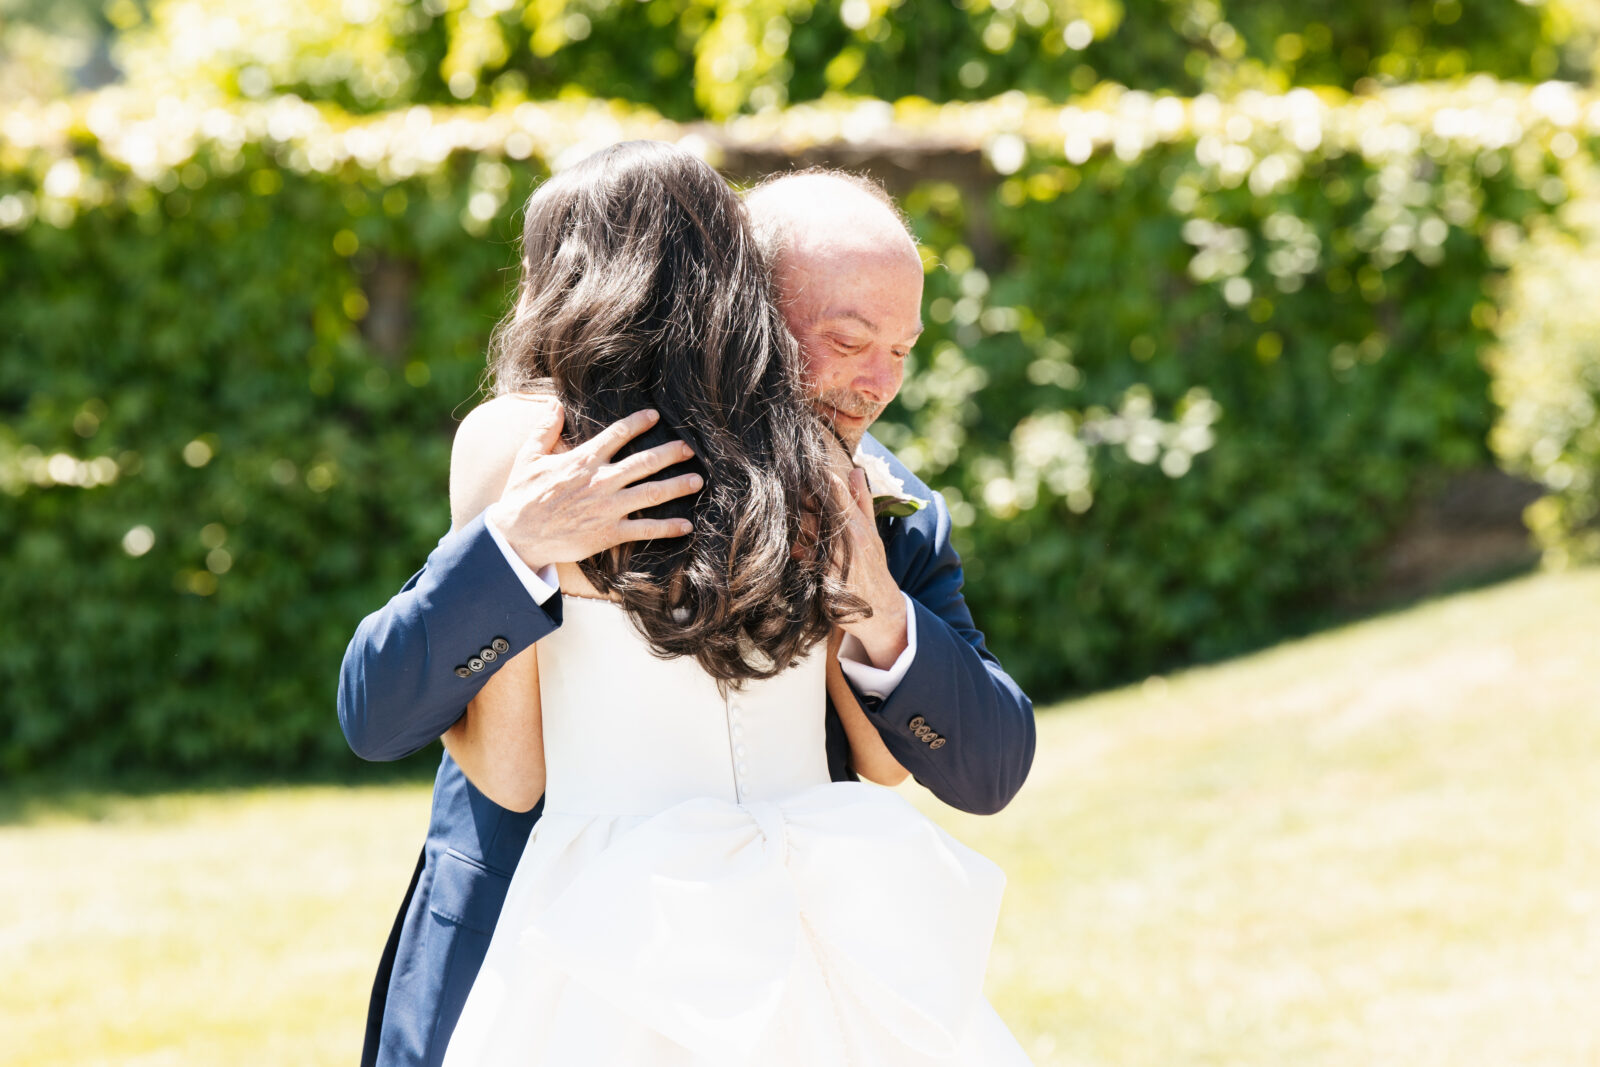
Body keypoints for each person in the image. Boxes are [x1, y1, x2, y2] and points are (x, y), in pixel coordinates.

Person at [339, 152, 1036, 1066]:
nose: (879, 383)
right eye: (849, 339)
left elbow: (972, 765)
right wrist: (513, 548)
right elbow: (882, 771)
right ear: (751, 298)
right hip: (557, 930)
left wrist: (880, 601)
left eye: (902, 349)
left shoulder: (865, 496)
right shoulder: (577, 469)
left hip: (762, 941)